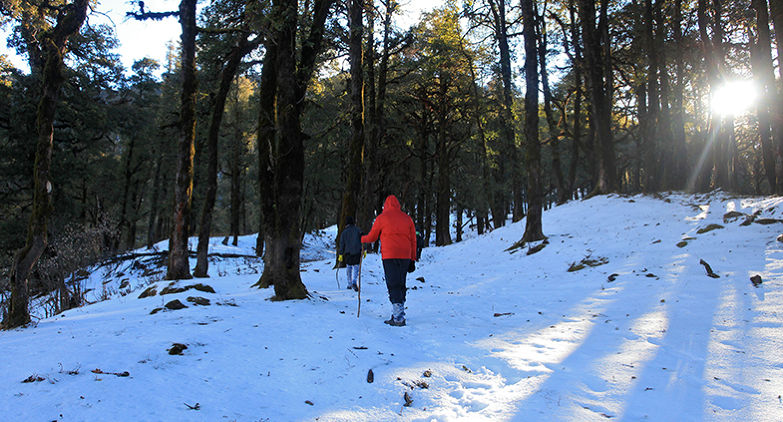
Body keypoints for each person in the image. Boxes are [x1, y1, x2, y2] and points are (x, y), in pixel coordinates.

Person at [361, 195, 417, 326]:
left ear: (385, 205)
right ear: (398, 205)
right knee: (401, 282)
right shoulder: (407, 218)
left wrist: (362, 238)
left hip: (390, 255)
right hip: (405, 255)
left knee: (393, 283)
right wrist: (413, 259)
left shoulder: (381, 218)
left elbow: (372, 237)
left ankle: (398, 317)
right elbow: (413, 240)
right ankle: (399, 311)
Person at [338, 216, 362, 291]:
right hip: (357, 251)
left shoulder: (344, 233)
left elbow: (342, 244)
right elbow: (363, 239)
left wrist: (341, 254)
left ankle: (349, 283)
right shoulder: (358, 230)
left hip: (348, 252)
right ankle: (354, 280)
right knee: (356, 266)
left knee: (349, 267)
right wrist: (365, 250)